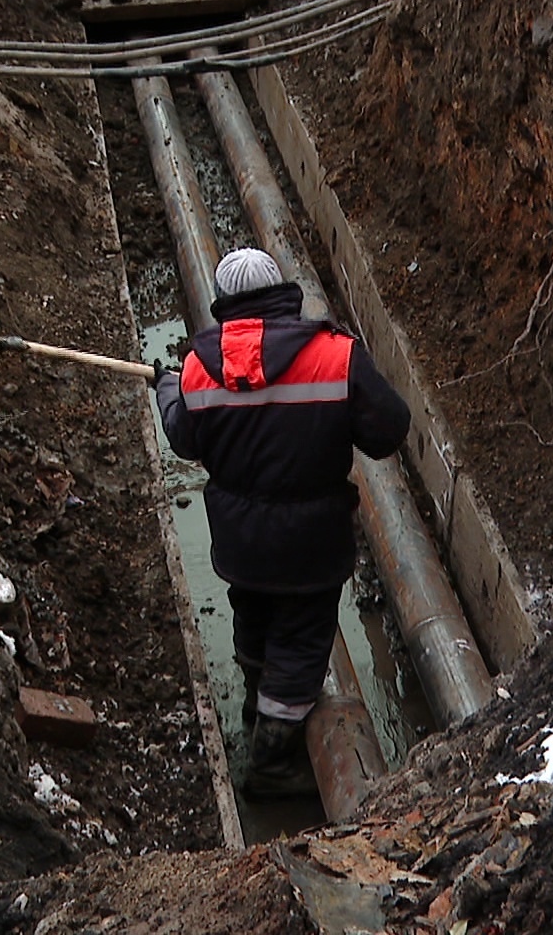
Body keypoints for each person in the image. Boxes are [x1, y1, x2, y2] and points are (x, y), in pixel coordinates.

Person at [152, 247, 410, 797]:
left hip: (240, 543)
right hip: (311, 543)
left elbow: (183, 436)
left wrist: (169, 387)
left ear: (225, 302)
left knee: (255, 620)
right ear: (281, 292)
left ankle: (257, 706)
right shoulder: (335, 356)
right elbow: (388, 431)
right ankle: (270, 763)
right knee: (300, 644)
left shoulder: (200, 367)